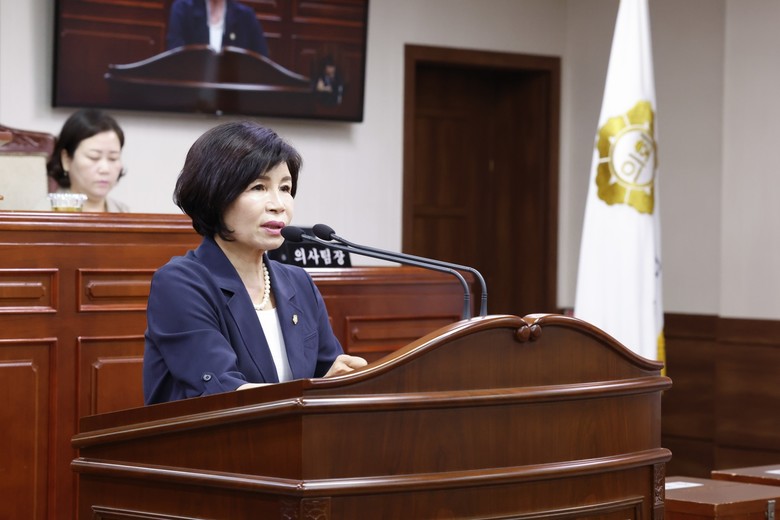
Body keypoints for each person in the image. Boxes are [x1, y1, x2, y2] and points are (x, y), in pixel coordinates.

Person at [143, 121, 366, 404]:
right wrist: (311, 392)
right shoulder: (180, 283)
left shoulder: (298, 283)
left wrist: (342, 380)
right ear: (215, 195)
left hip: (293, 432)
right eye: (259, 187)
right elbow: (222, 392)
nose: (279, 204)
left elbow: (327, 372)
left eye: (285, 188)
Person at [44, 108, 129, 212]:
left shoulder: (125, 213)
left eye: (113, 158)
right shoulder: (44, 213)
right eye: (94, 157)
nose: (105, 169)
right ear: (66, 159)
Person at [166, 0, 269, 58]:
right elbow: (175, 58)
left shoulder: (245, 16)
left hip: (234, 87)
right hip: (191, 85)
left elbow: (262, 61)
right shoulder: (182, 10)